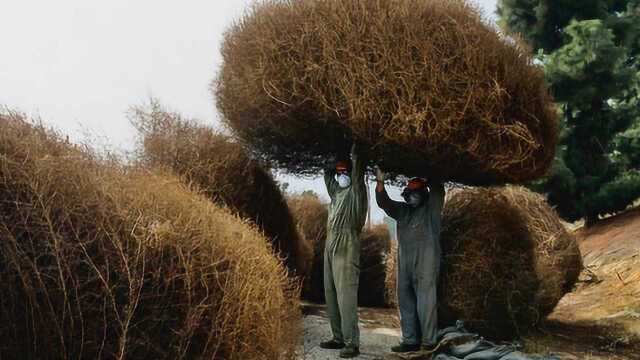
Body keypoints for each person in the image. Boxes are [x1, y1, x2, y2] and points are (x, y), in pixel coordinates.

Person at [375, 168, 445, 353]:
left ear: (424, 194)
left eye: (417, 192)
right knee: (405, 299)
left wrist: (429, 172)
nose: (413, 196)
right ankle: (410, 340)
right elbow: (384, 203)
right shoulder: (402, 211)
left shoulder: (432, 209)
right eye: (410, 193)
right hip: (405, 262)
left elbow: (438, 191)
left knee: (426, 301)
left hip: (426, 262)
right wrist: (380, 183)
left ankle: (428, 341)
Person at [319, 145, 368, 359]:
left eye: (344, 171)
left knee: (345, 295)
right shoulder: (336, 192)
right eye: (338, 173)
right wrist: (329, 163)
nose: (341, 175)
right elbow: (327, 176)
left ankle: (352, 343)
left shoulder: (356, 191)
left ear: (350, 172)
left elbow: (358, 174)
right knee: (330, 293)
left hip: (347, 243)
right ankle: (338, 337)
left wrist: (355, 156)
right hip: (330, 242)